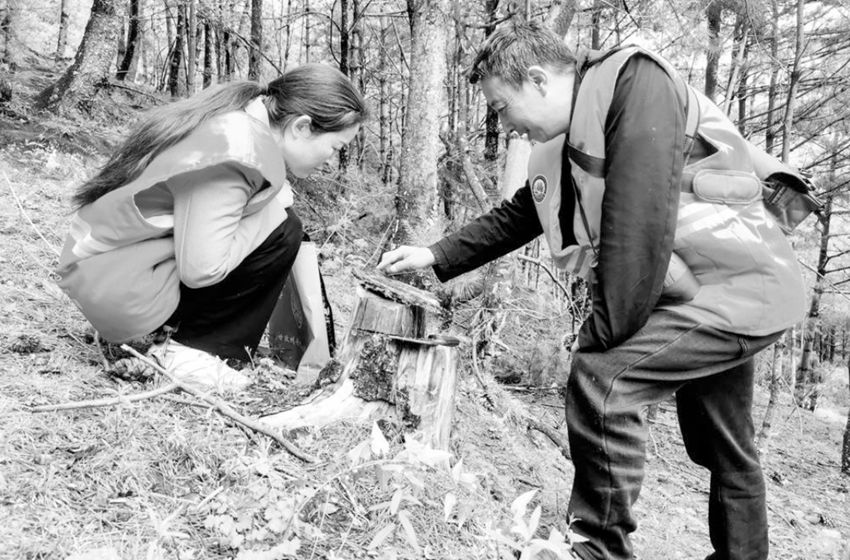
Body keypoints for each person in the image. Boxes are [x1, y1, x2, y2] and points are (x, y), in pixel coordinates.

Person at [378, 21, 806, 560]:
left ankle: (597, 549)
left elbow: (638, 224)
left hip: (741, 290)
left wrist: (600, 337)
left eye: (503, 107)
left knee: (604, 379)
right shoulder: (573, 134)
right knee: (725, 445)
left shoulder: (636, 84)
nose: (505, 126)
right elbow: (522, 215)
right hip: (701, 295)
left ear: (538, 80)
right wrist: (436, 255)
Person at [57, 63, 367, 393]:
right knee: (283, 227)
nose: (331, 160)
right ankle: (191, 352)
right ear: (301, 127)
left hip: (109, 275)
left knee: (279, 217)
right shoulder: (239, 156)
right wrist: (271, 212)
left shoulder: (232, 122)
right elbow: (201, 271)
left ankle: (179, 337)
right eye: (335, 147)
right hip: (121, 293)